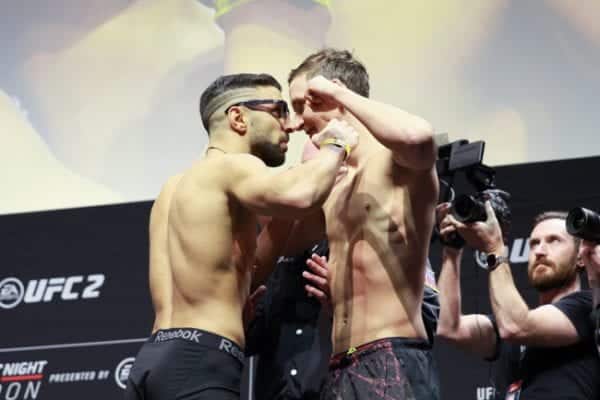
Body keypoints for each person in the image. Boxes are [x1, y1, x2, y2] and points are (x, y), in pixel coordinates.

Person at [124, 72, 358, 400]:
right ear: (238, 117)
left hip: (152, 363)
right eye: (278, 110)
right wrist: (336, 144)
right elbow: (302, 195)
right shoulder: (234, 166)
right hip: (200, 363)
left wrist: (283, 221)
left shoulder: (174, 187)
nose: (290, 125)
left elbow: (240, 271)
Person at [282, 48, 440, 399]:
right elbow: (287, 239)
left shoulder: (394, 161)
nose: (293, 124)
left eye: (299, 106)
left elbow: (418, 137)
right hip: (342, 363)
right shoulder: (336, 175)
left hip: (391, 358)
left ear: (326, 95)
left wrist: (341, 93)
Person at [436, 206, 600, 399]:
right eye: (534, 243)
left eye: (553, 241)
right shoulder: (513, 325)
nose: (540, 251)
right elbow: (448, 327)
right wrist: (452, 251)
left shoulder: (587, 307)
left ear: (581, 257)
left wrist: (494, 248)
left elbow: (516, 326)